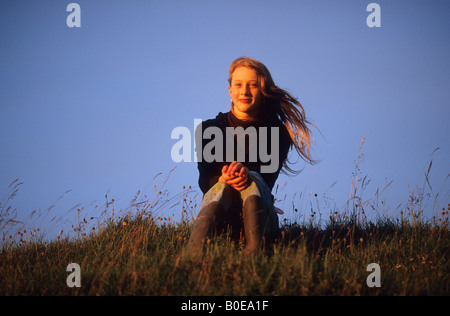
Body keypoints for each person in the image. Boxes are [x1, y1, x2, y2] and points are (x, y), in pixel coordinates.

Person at [186, 57, 315, 258]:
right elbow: (205, 180)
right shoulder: (208, 129)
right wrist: (223, 179)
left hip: (262, 221)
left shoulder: (278, 132)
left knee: (253, 178)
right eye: (238, 85)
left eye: (252, 85)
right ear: (230, 90)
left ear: (262, 91)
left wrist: (245, 172)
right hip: (222, 220)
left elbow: (267, 177)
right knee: (219, 187)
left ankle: (256, 251)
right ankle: (193, 252)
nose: (244, 92)